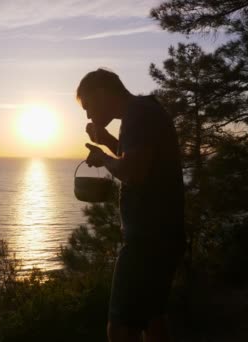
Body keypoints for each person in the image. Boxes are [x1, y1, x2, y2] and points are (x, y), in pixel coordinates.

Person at [76, 68, 185, 342]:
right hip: (164, 235)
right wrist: (107, 142)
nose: (88, 115)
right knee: (153, 317)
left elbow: (134, 172)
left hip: (147, 240)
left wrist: (103, 158)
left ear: (102, 93)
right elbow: (138, 157)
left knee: (120, 327)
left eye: (88, 106)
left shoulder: (138, 114)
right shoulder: (143, 111)